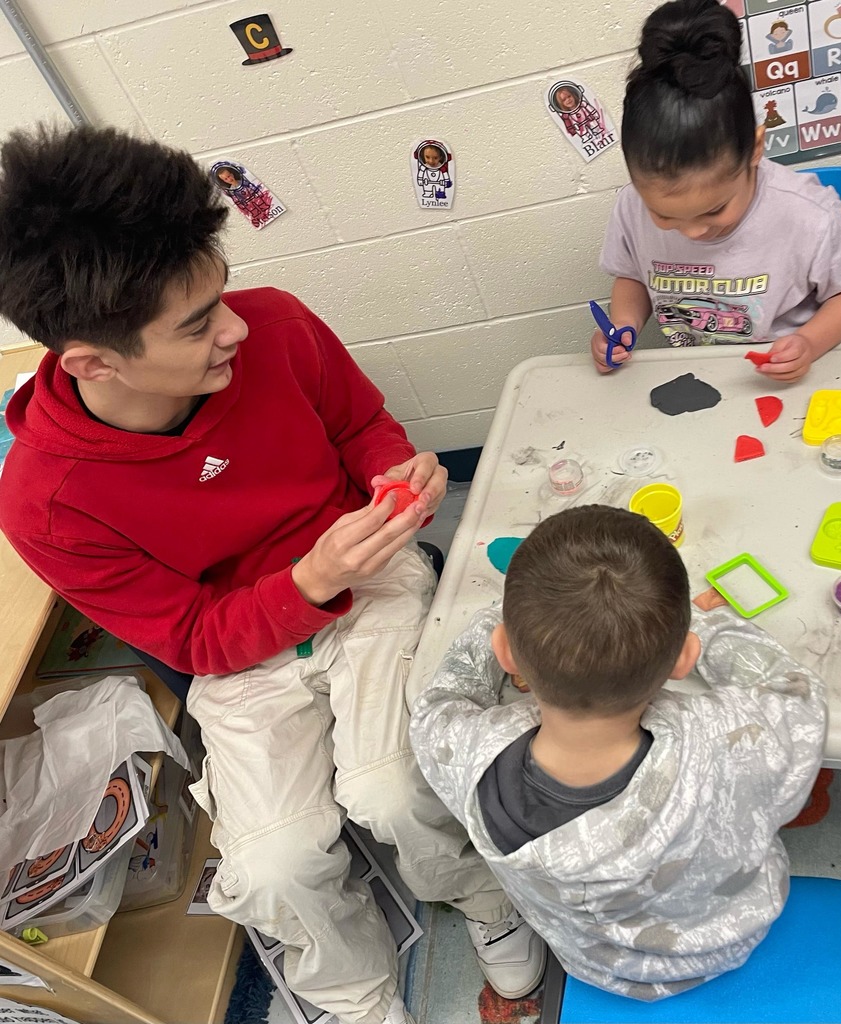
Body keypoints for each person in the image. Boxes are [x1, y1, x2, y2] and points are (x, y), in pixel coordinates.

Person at [0, 126, 545, 1024]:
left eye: (220, 293)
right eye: (198, 323)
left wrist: (391, 473)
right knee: (274, 863)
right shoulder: (44, 503)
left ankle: (486, 907)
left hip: (365, 584)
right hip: (242, 648)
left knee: (396, 788)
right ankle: (359, 1001)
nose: (236, 326)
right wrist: (304, 583)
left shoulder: (280, 326)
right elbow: (190, 640)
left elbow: (361, 423)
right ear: (93, 362)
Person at [410, 504, 827, 1001]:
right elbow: (796, 694)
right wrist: (709, 629)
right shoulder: (731, 740)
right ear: (682, 659)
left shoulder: (461, 754)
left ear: (507, 655)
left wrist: (500, 622)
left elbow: (440, 702)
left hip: (595, 965)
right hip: (735, 935)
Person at [590, 0, 841, 382]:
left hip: (795, 375)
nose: (692, 231)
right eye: (663, 215)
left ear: (756, 149)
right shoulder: (631, 207)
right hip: (705, 378)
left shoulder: (809, 215)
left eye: (714, 210)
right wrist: (623, 326)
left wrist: (810, 343)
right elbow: (631, 275)